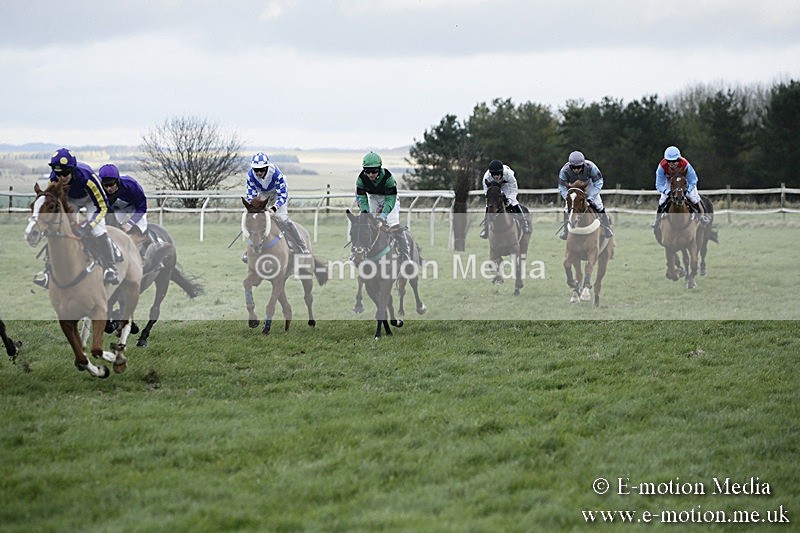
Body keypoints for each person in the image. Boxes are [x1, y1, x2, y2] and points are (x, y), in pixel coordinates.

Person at [33, 148, 119, 287]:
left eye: (66, 173)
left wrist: (89, 226)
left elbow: (103, 207)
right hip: (71, 200)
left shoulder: (88, 178)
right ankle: (48, 271)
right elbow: (52, 202)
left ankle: (110, 268)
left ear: (72, 170)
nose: (62, 177)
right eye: (59, 173)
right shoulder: (53, 179)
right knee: (57, 229)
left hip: (91, 200)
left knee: (97, 230)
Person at [244, 151, 309, 260]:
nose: (259, 173)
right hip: (264, 195)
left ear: (267, 168)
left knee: (283, 219)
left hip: (278, 194)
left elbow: (283, 195)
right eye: (256, 170)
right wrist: (254, 208)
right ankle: (250, 249)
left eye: (262, 170)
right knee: (255, 220)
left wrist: (274, 208)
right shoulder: (250, 175)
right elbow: (251, 195)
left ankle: (301, 246)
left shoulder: (276, 174)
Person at [355, 151, 411, 264]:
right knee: (365, 223)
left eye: (374, 171)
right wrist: (365, 214)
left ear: (379, 168)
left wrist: (382, 217)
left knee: (393, 224)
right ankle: (358, 251)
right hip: (373, 198)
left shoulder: (388, 178)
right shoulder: (360, 179)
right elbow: (362, 199)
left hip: (390, 198)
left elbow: (390, 201)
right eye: (367, 171)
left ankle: (406, 254)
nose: (371, 174)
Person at [652, 145, 710, 238]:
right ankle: (657, 220)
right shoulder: (661, 167)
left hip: (685, 181)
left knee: (693, 198)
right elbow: (659, 185)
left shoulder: (686, 165)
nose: (672, 163)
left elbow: (693, 180)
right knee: (662, 200)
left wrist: (687, 190)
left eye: (674, 160)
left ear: (679, 159)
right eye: (669, 161)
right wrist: (667, 192)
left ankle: (702, 217)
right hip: (670, 182)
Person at [557, 151, 613, 240]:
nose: (576, 170)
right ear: (570, 166)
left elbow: (599, 182)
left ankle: (606, 228)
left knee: (599, 205)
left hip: (589, 184)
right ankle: (566, 231)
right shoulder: (564, 170)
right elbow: (561, 187)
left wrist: (591, 198)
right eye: (573, 168)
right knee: (567, 208)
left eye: (579, 167)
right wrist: (568, 199)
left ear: (583, 165)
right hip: (573, 187)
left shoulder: (591, 167)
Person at [98, 164, 149, 248]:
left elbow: (141, 207)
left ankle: (147, 247)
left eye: (111, 185)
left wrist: (130, 224)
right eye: (105, 185)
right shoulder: (100, 190)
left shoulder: (131, 185)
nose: (108, 189)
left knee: (140, 227)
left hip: (135, 207)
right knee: (112, 227)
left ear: (117, 181)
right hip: (118, 208)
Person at [479, 159, 531, 239]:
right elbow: (487, 193)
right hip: (493, 188)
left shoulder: (509, 175)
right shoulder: (486, 177)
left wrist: (509, 199)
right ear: (491, 174)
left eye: (498, 174)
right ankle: (486, 229)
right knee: (489, 205)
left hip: (507, 187)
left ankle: (524, 224)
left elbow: (513, 190)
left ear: (501, 172)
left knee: (514, 202)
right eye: (494, 174)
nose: (496, 176)